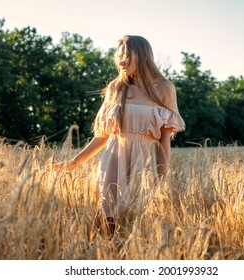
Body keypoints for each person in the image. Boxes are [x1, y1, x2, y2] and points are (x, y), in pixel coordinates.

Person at [50, 35, 185, 235]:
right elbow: (102, 137)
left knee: (139, 226)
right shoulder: (116, 88)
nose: (121, 61)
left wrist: (162, 179)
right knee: (108, 226)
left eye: (127, 55)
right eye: (119, 56)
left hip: (144, 165)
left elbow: (164, 141)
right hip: (112, 162)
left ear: (143, 56)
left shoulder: (165, 89)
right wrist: (72, 163)